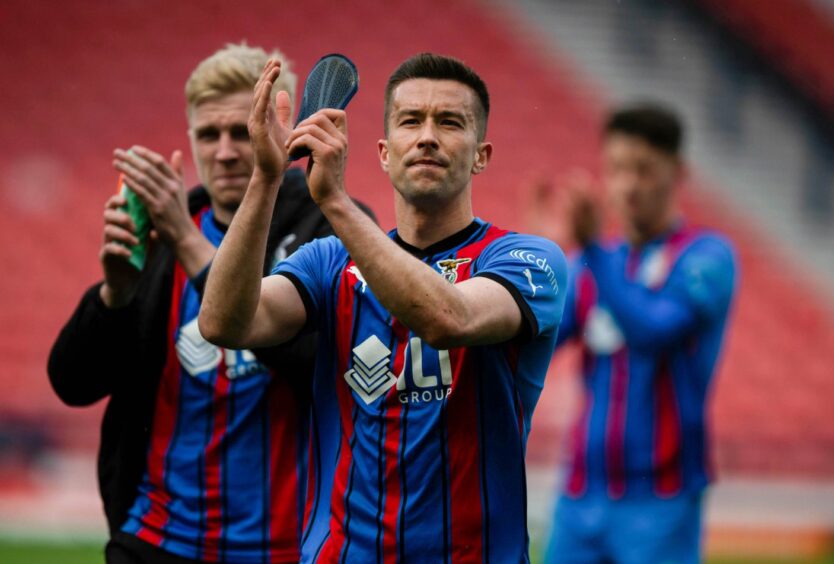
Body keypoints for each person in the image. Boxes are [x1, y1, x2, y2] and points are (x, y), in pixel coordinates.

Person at [198, 53, 568, 562]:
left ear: (481, 155)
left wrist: (336, 203)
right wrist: (265, 177)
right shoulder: (329, 264)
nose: (428, 137)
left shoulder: (526, 259)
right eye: (410, 121)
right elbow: (223, 322)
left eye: (450, 122)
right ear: (383, 152)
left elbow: (449, 319)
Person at [48, 43, 349, 563]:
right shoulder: (161, 232)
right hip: (155, 539)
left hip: (289, 548)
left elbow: (322, 364)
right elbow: (71, 384)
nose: (228, 151)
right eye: (209, 134)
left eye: (243, 130)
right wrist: (114, 293)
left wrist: (188, 242)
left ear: (280, 130)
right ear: (190, 139)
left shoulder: (329, 227)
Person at [534, 104, 738, 563]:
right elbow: (535, 338)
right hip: (581, 491)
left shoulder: (706, 257)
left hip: (661, 498)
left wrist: (587, 249)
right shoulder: (590, 264)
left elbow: (652, 330)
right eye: (616, 169)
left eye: (644, 170)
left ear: (678, 171)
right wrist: (538, 260)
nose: (627, 185)